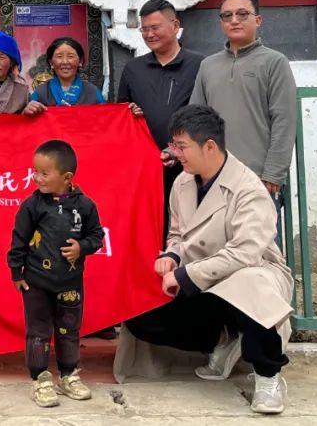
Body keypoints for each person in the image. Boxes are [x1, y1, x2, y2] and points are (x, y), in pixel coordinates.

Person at [124, 105, 293, 415]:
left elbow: (245, 253)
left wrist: (185, 275)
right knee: (140, 313)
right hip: (204, 279)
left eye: (182, 146)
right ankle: (224, 339)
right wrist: (172, 255)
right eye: (174, 145)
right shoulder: (182, 183)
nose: (175, 153)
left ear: (210, 146)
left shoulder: (248, 189)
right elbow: (177, 233)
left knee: (251, 284)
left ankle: (268, 376)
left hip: (250, 273)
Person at [8, 139, 105, 408]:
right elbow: (19, 238)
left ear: (67, 177)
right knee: (38, 332)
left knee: (68, 330)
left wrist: (82, 247)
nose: (36, 178)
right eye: (35, 171)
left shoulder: (85, 206)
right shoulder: (32, 206)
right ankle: (39, 378)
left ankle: (68, 375)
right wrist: (16, 272)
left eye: (44, 173)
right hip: (36, 282)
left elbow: (97, 236)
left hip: (70, 283)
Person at [189, 0, 297, 231]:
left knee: (258, 245)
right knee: (214, 245)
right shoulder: (208, 66)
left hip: (256, 176)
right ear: (221, 23)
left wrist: (274, 172)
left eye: (242, 14)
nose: (234, 20)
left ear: (257, 20)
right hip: (213, 175)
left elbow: (284, 120)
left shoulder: (274, 62)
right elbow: (195, 119)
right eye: (227, 16)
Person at [118, 0, 204, 238]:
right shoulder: (133, 69)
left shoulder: (200, 65)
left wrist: (178, 149)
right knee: (150, 230)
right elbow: (122, 114)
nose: (149, 34)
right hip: (147, 168)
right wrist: (131, 111)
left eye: (155, 27)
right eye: (144, 29)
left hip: (191, 165)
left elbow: (208, 114)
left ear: (175, 26)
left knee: (190, 229)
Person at [24, 37, 104, 114]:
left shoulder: (92, 91)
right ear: (51, 62)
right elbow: (29, 120)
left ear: (80, 61)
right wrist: (27, 112)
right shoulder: (41, 92)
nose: (65, 62)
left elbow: (105, 117)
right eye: (59, 56)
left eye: (70, 56)